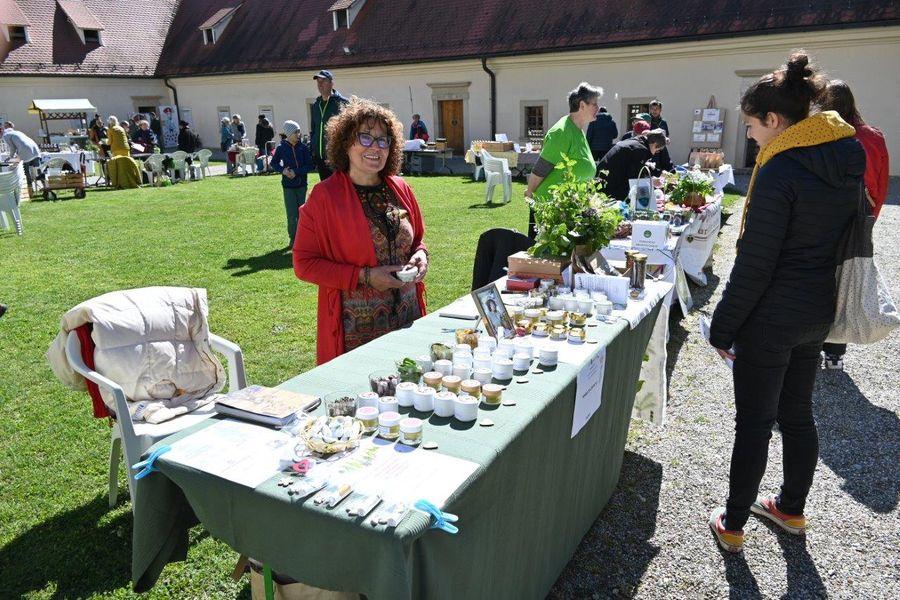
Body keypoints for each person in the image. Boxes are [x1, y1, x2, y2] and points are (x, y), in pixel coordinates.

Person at [707, 52, 864, 554]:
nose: (751, 137)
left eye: (753, 127)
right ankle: (791, 509)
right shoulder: (845, 155)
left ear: (775, 120)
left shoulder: (781, 170)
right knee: (797, 414)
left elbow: (756, 264)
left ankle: (733, 524)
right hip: (816, 309)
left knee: (754, 424)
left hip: (771, 317)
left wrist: (722, 326)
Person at [294, 97, 428, 365]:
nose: (375, 147)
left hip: (407, 319)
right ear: (346, 143)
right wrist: (364, 276)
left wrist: (421, 256)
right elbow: (304, 264)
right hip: (355, 334)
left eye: (383, 140)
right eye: (365, 137)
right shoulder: (324, 197)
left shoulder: (400, 188)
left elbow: (418, 241)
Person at [816, 79, 891, 370]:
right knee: (849, 281)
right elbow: (882, 184)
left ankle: (813, 343)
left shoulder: (825, 135)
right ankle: (835, 353)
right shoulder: (874, 136)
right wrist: (870, 218)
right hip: (861, 216)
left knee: (822, 277)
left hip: (827, 217)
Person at [525, 82, 603, 238]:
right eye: (594, 104)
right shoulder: (562, 131)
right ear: (582, 105)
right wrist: (530, 193)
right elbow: (541, 168)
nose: (598, 108)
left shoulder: (578, 130)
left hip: (568, 207)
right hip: (552, 209)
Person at [271, 120, 314, 248]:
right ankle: (293, 239)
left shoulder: (303, 148)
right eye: (296, 132)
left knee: (303, 214)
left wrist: (296, 172)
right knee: (291, 215)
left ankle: (304, 239)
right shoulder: (281, 148)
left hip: (302, 185)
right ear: (289, 134)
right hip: (288, 187)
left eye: (299, 131)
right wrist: (283, 170)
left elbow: (310, 165)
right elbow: (274, 163)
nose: (298, 134)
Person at [596, 128, 667, 200]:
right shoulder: (640, 150)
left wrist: (657, 172)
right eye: (657, 151)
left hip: (602, 179)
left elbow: (637, 167)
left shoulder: (636, 142)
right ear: (655, 144)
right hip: (609, 185)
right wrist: (651, 182)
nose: (655, 153)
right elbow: (633, 178)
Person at [310, 69, 349, 181]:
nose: (320, 84)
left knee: (339, 187)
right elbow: (314, 129)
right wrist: (313, 148)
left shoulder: (342, 103)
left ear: (332, 83)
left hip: (336, 157)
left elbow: (349, 130)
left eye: (323, 81)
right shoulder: (316, 105)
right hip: (320, 158)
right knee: (326, 188)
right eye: (318, 81)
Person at [1, 122, 41, 192]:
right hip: (35, 150)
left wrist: (10, 157)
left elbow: (12, 148)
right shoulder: (17, 132)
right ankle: (44, 186)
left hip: (26, 151)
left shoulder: (6, 135)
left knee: (24, 171)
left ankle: (30, 189)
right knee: (38, 171)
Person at [648, 100, 674, 171]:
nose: (654, 111)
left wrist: (667, 139)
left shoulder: (663, 122)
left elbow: (666, 134)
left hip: (662, 149)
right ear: (650, 110)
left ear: (660, 110)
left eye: (657, 109)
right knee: (653, 169)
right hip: (651, 150)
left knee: (667, 167)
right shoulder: (647, 121)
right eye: (652, 109)